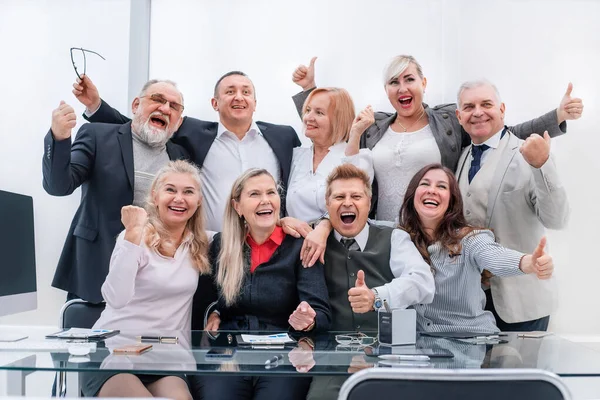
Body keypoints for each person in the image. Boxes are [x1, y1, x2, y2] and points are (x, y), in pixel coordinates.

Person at [291, 55, 582, 222]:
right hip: (383, 233)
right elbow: (334, 129)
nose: (402, 87)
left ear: (423, 84)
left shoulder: (446, 121)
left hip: (434, 233)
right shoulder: (375, 126)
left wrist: (557, 116)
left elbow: (501, 132)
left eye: (409, 79)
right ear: (387, 89)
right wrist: (310, 90)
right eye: (394, 82)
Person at [73, 72, 301, 231]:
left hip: (269, 247)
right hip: (213, 246)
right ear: (215, 103)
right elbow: (142, 126)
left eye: (246, 92)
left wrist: (308, 88)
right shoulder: (194, 132)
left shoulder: (283, 136)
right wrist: (96, 106)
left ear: (254, 101)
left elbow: (321, 145)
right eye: (230, 91)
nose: (238, 97)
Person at [43, 79, 189, 304]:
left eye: (174, 106)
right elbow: (58, 186)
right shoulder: (97, 135)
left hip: (154, 281)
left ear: (178, 121)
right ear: (135, 106)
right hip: (98, 270)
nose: (165, 108)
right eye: (157, 99)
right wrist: (60, 137)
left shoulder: (181, 156)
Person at [192, 168, 331, 400]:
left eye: (271, 192)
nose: (265, 200)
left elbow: (322, 314)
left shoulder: (300, 246)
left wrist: (308, 320)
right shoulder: (221, 245)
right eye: (255, 194)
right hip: (229, 353)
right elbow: (210, 300)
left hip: (285, 356)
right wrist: (214, 312)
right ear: (238, 207)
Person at [80, 160, 210, 399]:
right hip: (115, 352)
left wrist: (288, 222)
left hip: (167, 358)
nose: (179, 198)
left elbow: (247, 231)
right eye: (170, 189)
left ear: (199, 200)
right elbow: (116, 299)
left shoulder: (200, 243)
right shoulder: (134, 237)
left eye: (188, 192)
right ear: (155, 195)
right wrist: (131, 234)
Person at [305, 163, 436, 400]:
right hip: (332, 361)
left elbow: (423, 282)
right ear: (327, 203)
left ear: (369, 201)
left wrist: (376, 297)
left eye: (356, 196)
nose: (347, 203)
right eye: (339, 197)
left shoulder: (394, 237)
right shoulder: (314, 241)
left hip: (388, 358)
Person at [454, 79, 569, 331]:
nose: (478, 112)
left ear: (502, 109)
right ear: (459, 116)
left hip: (523, 302)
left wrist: (542, 165)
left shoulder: (528, 153)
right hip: (473, 305)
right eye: (469, 106)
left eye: (486, 104)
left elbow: (557, 219)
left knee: (521, 371)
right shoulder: (461, 158)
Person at [399, 163, 554, 334]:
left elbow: (494, 256)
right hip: (424, 348)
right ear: (413, 194)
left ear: (452, 200)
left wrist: (527, 263)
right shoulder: (398, 239)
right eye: (425, 184)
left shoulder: (470, 239)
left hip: (470, 344)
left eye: (441, 186)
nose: (432, 190)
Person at [286, 87, 374, 224]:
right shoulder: (297, 156)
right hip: (294, 241)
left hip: (335, 243)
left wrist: (355, 134)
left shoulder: (360, 158)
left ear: (339, 120)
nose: (308, 118)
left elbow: (352, 198)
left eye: (319, 113)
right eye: (308, 110)